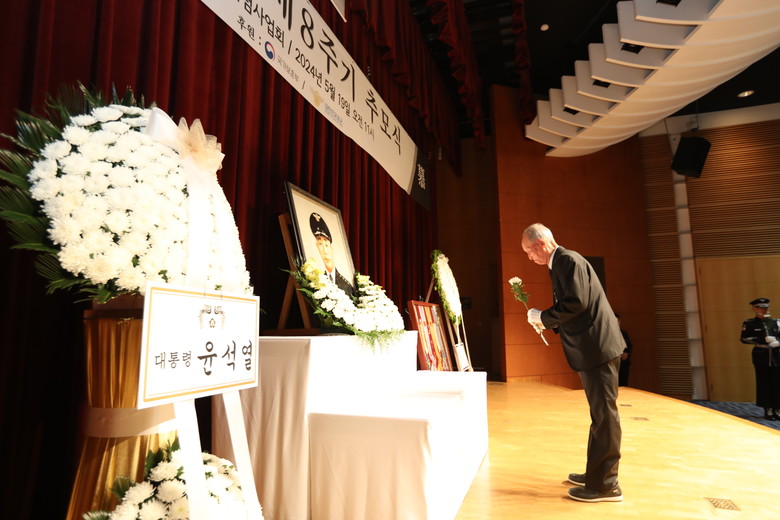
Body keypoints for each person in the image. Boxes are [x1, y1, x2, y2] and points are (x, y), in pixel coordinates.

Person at [521, 223, 626, 503]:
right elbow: (575, 305)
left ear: (540, 244)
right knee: (599, 415)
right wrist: (546, 320)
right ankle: (596, 474)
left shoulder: (567, 260)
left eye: (529, 252)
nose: (530, 258)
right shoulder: (562, 262)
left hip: (598, 348)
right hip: (594, 348)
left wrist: (543, 317)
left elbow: (576, 302)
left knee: (605, 416)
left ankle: (606, 485)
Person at [740, 297, 780, 420]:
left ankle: (777, 409)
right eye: (760, 307)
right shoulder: (750, 323)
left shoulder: (776, 322)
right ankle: (768, 409)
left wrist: (778, 342)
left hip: (776, 355)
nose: (763, 310)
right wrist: (762, 340)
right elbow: (744, 339)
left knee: (777, 382)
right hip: (761, 355)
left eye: (765, 307)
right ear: (754, 309)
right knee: (764, 382)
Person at [309, 212, 354, 295]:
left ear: (332, 249)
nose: (325, 251)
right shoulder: (316, 282)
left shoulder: (346, 285)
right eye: (320, 244)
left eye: (326, 245)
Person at [615, 313, 633, 387]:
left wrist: (627, 353)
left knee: (624, 384)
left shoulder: (624, 333)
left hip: (624, 363)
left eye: (618, 321)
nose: (617, 323)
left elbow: (629, 346)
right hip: (614, 364)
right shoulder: (608, 334)